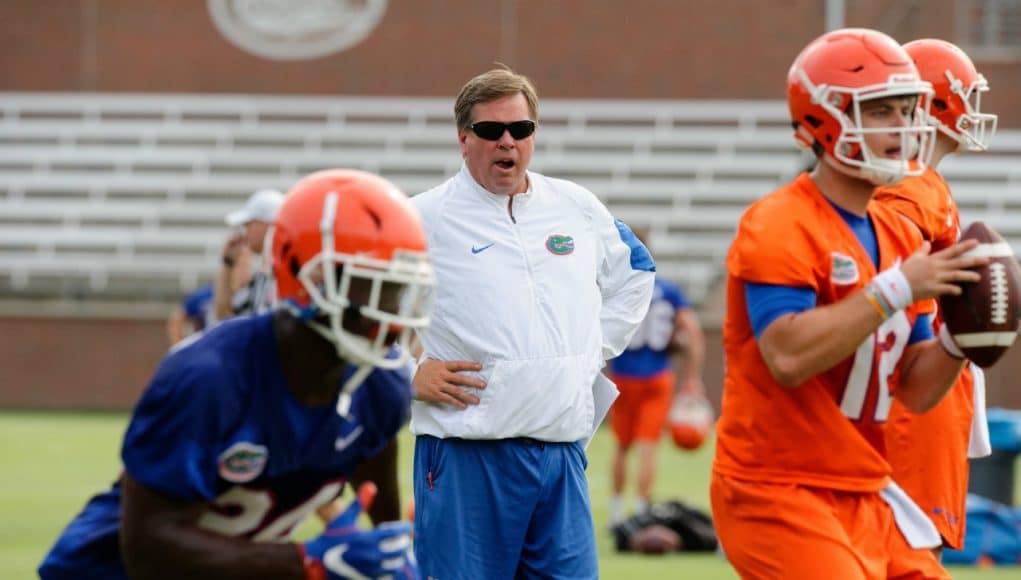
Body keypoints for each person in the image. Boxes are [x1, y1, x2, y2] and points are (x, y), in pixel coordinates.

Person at [38, 169, 434, 580]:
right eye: (375, 286)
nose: (390, 310)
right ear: (309, 278)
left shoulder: (380, 387)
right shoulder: (207, 378)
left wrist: (392, 555)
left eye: (397, 288)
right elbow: (147, 546)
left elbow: (378, 499)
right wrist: (308, 561)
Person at [711, 28, 989, 579]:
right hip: (777, 486)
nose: (902, 128)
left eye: (908, 111)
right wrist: (897, 290)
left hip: (865, 485)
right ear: (822, 118)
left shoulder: (898, 233)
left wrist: (963, 339)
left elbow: (913, 385)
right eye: (880, 110)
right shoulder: (779, 222)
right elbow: (787, 356)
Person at [408, 66, 656, 579]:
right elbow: (349, 315)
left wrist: (592, 351)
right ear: (463, 139)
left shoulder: (575, 206)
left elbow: (637, 271)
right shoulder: (421, 219)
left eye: (520, 130)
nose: (507, 142)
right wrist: (405, 374)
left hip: (560, 455)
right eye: (491, 131)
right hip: (465, 456)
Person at [876, 38, 998, 554]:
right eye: (965, 94)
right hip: (915, 400)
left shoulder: (926, 186)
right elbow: (888, 258)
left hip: (927, 387)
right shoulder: (912, 188)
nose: (973, 109)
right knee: (912, 553)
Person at [606, 230, 705, 526]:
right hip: (658, 376)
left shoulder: (614, 289)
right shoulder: (669, 291)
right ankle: (641, 510)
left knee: (622, 446)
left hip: (623, 376)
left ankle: (615, 513)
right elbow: (694, 333)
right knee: (649, 445)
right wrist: (692, 377)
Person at [214, 188, 285, 319]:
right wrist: (228, 263)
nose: (244, 233)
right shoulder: (261, 278)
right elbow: (225, 314)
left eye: (248, 225)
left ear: (268, 224)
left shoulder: (288, 272)